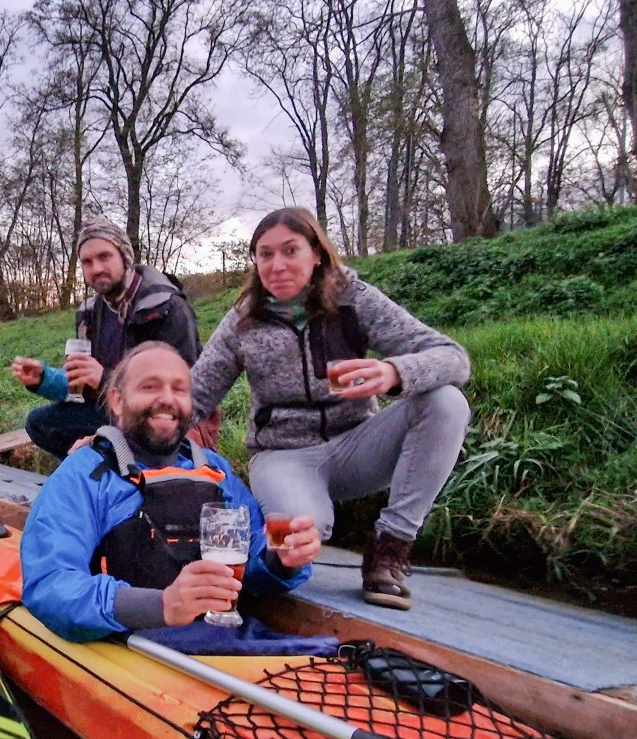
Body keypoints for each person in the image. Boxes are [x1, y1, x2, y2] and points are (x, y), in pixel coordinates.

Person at [189, 207, 471, 611]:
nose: (277, 265)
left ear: (317, 254)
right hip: (282, 456)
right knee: (295, 537)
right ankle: (260, 577)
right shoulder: (243, 322)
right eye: (265, 254)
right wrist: (120, 439)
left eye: (290, 250)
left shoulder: (355, 299)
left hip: (357, 446)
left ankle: (390, 547)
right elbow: (195, 396)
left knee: (446, 402)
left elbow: (454, 358)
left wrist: (394, 371)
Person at [21, 342, 322, 643]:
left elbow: (252, 564)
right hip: (132, 649)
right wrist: (162, 605)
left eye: (179, 390)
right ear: (117, 400)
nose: (167, 399)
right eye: (150, 387)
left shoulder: (216, 470)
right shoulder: (84, 473)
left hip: (221, 641)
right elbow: (50, 584)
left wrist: (280, 560)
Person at [11, 219, 206, 458]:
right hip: (113, 409)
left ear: (124, 257)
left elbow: (183, 392)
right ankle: (101, 466)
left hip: (159, 418)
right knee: (40, 423)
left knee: (95, 442)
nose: (96, 269)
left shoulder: (164, 307)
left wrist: (104, 379)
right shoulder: (91, 312)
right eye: (87, 262)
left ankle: (120, 465)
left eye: (104, 257)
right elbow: (85, 387)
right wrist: (44, 378)